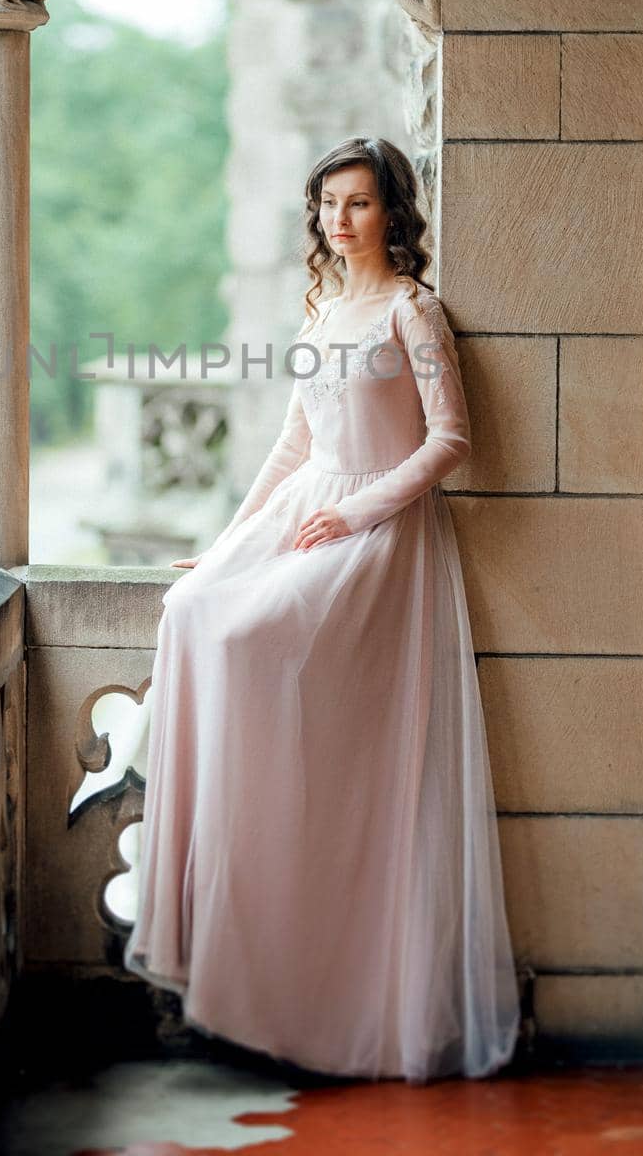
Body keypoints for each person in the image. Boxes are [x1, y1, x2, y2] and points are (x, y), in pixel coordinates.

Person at [122, 135, 521, 1083]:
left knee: (241, 637)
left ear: (393, 212)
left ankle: (332, 976)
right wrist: (228, 544)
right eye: (326, 207)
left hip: (380, 532)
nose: (337, 223)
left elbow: (451, 442)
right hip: (313, 510)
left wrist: (359, 508)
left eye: (356, 204)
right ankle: (246, 909)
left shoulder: (413, 312)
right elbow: (293, 447)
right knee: (192, 609)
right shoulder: (323, 311)